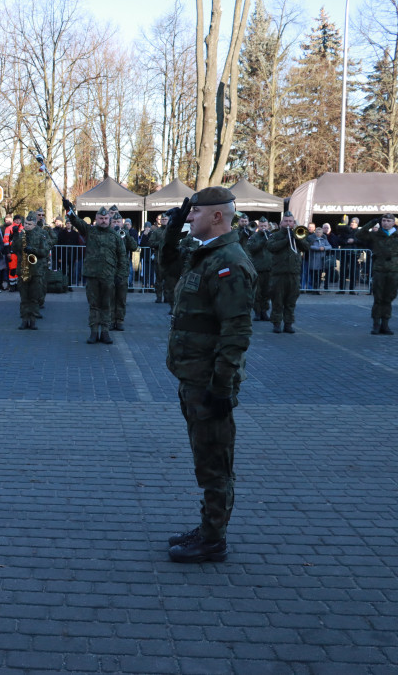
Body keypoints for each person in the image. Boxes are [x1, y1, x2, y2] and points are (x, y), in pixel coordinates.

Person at [160, 186, 256, 564]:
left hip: (209, 382)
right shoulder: (205, 256)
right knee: (206, 459)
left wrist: (221, 385)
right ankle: (208, 527)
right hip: (194, 376)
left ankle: (213, 540)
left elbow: (236, 333)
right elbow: (168, 265)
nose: (189, 219)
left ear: (217, 216)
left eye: (195, 213)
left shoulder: (229, 262)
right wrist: (173, 227)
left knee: (215, 464)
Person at [63, 203, 124, 344]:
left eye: (105, 218)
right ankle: (94, 332)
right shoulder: (90, 231)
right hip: (92, 275)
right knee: (94, 305)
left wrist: (120, 275)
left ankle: (105, 332)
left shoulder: (115, 236)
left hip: (108, 275)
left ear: (109, 219)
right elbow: (76, 221)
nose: (103, 220)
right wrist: (69, 209)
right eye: (101, 218)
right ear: (96, 219)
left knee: (106, 304)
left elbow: (122, 257)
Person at [354, 214, 398, 334]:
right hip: (379, 270)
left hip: (394, 271)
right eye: (383, 220)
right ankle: (376, 324)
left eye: (388, 221)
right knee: (378, 298)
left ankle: (385, 324)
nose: (385, 223)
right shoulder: (376, 234)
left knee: (388, 299)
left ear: (394, 223)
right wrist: (372, 222)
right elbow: (359, 234)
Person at [267, 211, 310, 333]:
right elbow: (271, 247)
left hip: (293, 274)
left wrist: (297, 238)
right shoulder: (275, 235)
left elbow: (306, 247)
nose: (288, 223)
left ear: (293, 223)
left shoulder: (298, 234)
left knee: (291, 300)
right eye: (286, 221)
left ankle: (288, 324)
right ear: (281, 223)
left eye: (290, 221)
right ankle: (276, 323)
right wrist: (286, 239)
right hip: (278, 274)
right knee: (277, 300)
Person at [11, 212, 49, 330]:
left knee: (33, 297)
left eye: (29, 224)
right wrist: (16, 235)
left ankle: (32, 320)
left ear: (34, 225)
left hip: (36, 270)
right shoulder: (21, 234)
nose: (26, 226)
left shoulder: (41, 234)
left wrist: (32, 250)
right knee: (24, 298)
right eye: (25, 223)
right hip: (23, 269)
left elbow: (45, 252)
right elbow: (14, 249)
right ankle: (24, 320)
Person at [110, 211, 139, 330]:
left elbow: (134, 246)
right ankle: (111, 320)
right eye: (114, 222)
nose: (116, 224)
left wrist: (126, 235)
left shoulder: (125, 233)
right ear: (110, 223)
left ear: (122, 223)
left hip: (122, 269)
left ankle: (120, 320)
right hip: (110, 269)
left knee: (121, 297)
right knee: (110, 296)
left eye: (118, 222)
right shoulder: (108, 234)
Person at [245, 219, 272, 321]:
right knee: (257, 292)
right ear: (258, 227)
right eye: (261, 226)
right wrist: (262, 241)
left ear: (268, 226)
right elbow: (251, 248)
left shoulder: (271, 236)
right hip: (258, 268)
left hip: (269, 268)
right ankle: (257, 311)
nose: (263, 228)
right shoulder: (254, 237)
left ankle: (264, 311)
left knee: (267, 292)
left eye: (265, 226)